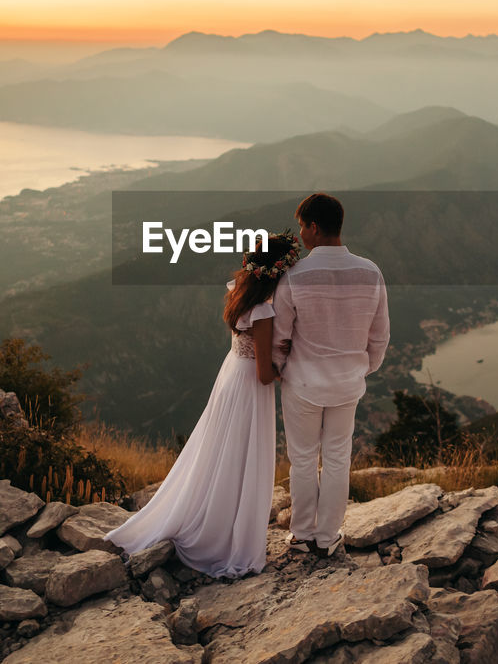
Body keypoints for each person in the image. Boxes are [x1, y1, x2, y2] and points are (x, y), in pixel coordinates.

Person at [104, 232, 302, 578]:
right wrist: (287, 362)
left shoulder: (238, 293)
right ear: (279, 272)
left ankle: (214, 518)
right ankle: (226, 538)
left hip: (229, 377)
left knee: (219, 453)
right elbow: (264, 374)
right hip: (249, 388)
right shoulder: (264, 311)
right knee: (240, 458)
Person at [273, 193, 390, 557]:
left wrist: (280, 370)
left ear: (314, 227)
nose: (300, 234)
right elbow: (380, 334)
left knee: (304, 458)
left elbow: (280, 336)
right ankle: (328, 537)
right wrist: (362, 368)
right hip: (348, 383)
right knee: (338, 457)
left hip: (303, 383)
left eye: (302, 227)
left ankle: (302, 535)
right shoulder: (370, 271)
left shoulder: (295, 276)